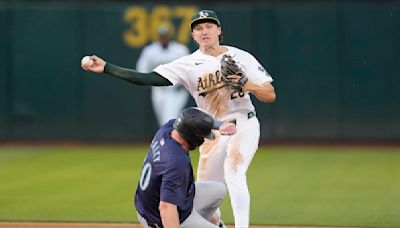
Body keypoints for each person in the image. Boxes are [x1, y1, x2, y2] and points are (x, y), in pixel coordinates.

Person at [81, 9, 276, 228]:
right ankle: (217, 223)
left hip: (244, 123)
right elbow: (148, 78)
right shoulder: (187, 64)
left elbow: (270, 95)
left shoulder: (242, 57)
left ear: (219, 30)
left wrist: (245, 83)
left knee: (234, 170)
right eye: (198, 28)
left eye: (209, 26)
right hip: (213, 131)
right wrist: (107, 68)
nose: (204, 31)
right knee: (205, 194)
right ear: (193, 35)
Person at [134, 107, 236, 227]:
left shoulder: (168, 129)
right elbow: (166, 208)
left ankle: (203, 222)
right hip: (157, 218)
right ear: (193, 137)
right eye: (202, 136)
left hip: (166, 201)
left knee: (219, 190)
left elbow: (192, 118)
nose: (203, 139)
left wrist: (219, 125)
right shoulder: (176, 162)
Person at [136, 25, 190, 126]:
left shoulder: (180, 49)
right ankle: (172, 139)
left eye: (165, 35)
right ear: (158, 36)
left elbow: (188, 68)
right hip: (158, 89)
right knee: (162, 120)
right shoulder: (150, 50)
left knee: (169, 118)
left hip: (175, 89)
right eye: (161, 36)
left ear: (169, 36)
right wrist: (146, 80)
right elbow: (142, 68)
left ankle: (172, 140)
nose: (163, 38)